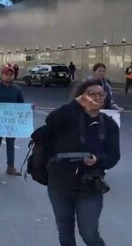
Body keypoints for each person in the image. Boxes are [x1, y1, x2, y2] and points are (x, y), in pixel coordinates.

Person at [42, 79, 120, 246]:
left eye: (101, 94)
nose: (98, 97)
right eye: (92, 94)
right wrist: (75, 104)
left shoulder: (109, 124)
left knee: (89, 234)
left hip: (89, 187)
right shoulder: (68, 118)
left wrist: (97, 160)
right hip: (59, 185)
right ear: (82, 97)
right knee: (65, 233)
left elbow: (114, 156)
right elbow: (51, 121)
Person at [0, 66, 26, 176]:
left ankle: (10, 167)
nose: (9, 76)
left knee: (10, 144)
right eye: (7, 74)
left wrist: (29, 109)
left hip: (11, 123)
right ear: (2, 75)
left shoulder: (17, 90)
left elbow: (22, 106)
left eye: (11, 74)